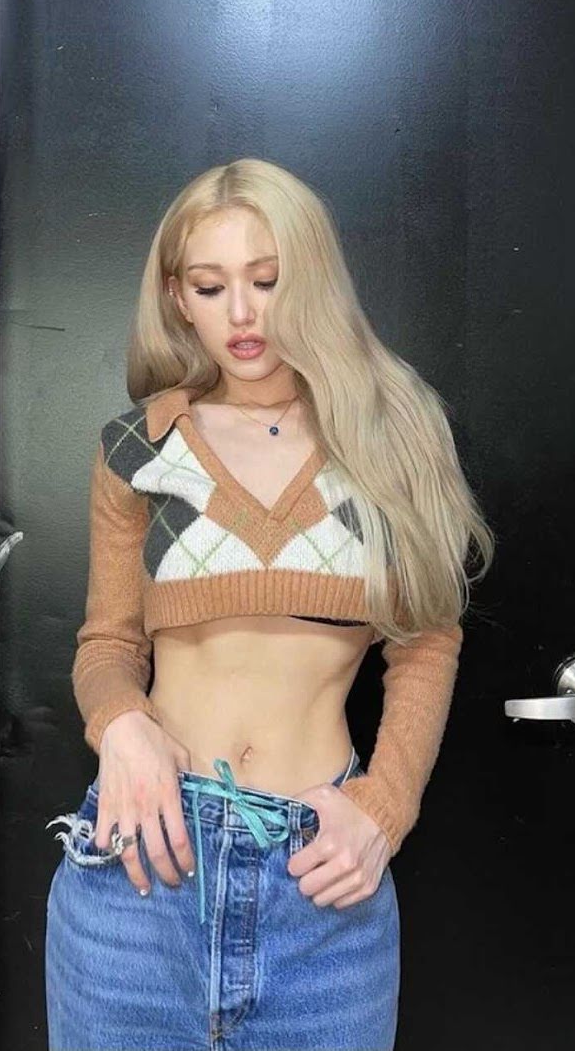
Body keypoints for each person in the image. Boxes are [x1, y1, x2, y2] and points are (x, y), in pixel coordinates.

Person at [44, 157, 494, 1050]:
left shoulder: (392, 434)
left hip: (319, 881)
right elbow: (108, 644)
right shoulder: (141, 445)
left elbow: (426, 640)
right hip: (143, 864)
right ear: (177, 297)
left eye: (268, 279)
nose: (242, 315)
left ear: (312, 277)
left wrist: (384, 806)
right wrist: (122, 726)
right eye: (211, 287)